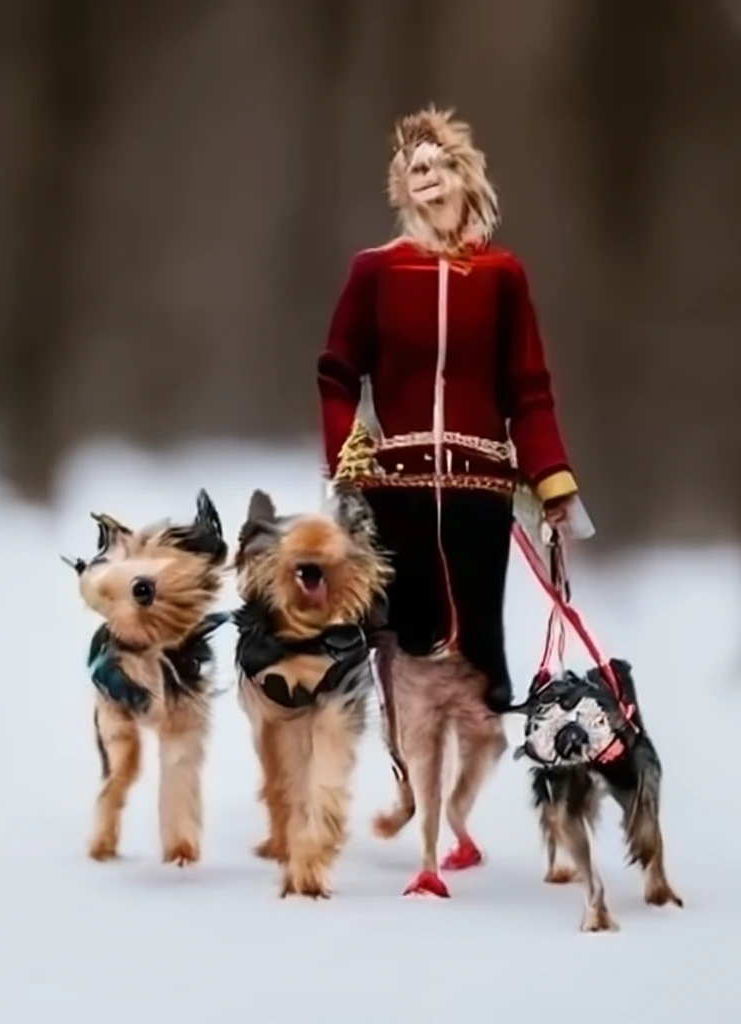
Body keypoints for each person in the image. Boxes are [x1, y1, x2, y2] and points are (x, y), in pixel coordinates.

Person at [315, 105, 580, 894]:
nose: (425, 173)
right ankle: (412, 788)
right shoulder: (375, 270)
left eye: (438, 161)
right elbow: (337, 369)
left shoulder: (502, 276)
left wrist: (553, 477)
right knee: (402, 645)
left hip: (479, 491)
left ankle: (458, 810)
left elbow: (527, 388)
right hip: (395, 484)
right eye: (412, 165)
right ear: (401, 185)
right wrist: (345, 450)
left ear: (466, 174)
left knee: (478, 665)